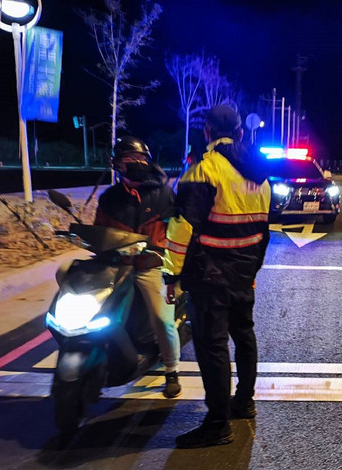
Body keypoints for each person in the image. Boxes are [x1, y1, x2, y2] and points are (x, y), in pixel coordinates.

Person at [163, 104, 271, 448]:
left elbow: (182, 228)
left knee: (213, 347)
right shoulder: (261, 175)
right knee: (244, 334)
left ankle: (217, 423)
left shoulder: (203, 172)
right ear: (241, 133)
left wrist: (171, 274)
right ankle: (245, 402)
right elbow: (263, 231)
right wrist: (252, 269)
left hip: (210, 275)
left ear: (207, 132)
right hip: (243, 273)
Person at [94, 136, 182, 398]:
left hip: (149, 267)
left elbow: (176, 229)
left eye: (140, 159)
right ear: (117, 165)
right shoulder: (110, 198)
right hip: (116, 266)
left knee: (161, 317)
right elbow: (100, 231)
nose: (135, 164)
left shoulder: (163, 195)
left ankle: (171, 369)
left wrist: (162, 250)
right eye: (129, 160)